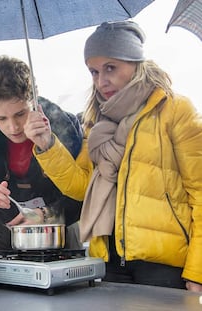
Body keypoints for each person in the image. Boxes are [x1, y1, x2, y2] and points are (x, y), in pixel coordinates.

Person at [31, 21, 202, 291]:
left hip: (164, 267)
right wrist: (47, 144)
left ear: (135, 63)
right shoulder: (97, 120)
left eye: (111, 68)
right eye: (94, 71)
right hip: (107, 260)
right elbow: (81, 187)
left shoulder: (175, 110)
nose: (101, 81)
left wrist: (198, 273)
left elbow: (200, 196)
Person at [0, 56, 84, 255]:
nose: (13, 127)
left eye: (20, 114)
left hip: (59, 236)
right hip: (4, 240)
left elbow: (85, 195)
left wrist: (48, 214)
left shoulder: (65, 126)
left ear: (35, 101)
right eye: (1, 118)